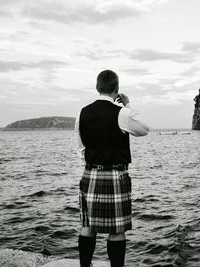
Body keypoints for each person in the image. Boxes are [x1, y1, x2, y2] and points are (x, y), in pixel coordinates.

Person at [75, 70, 149, 267]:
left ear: (97, 87)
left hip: (90, 173)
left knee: (87, 226)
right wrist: (128, 104)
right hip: (116, 175)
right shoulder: (122, 113)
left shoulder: (82, 113)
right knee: (116, 230)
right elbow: (144, 129)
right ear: (117, 89)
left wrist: (94, 164)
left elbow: (81, 147)